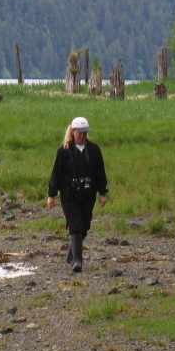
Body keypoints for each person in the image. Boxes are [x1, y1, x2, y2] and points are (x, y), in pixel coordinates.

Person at [47, 116, 108, 272]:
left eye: (85, 132)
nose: (82, 135)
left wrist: (102, 193)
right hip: (69, 194)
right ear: (73, 132)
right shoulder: (64, 151)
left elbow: (100, 172)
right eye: (79, 132)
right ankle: (77, 262)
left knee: (85, 226)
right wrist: (51, 195)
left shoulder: (94, 150)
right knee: (75, 225)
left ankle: (71, 254)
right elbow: (56, 174)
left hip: (88, 194)